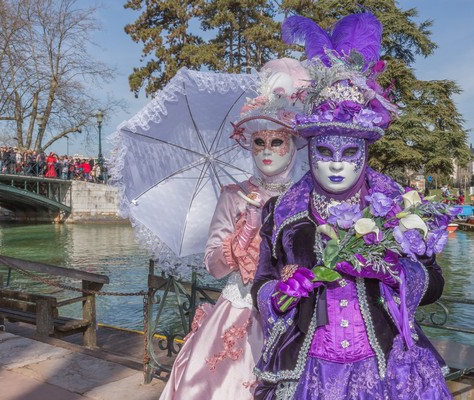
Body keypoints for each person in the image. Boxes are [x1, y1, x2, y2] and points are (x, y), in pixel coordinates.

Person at [251, 13, 453, 399]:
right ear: (310, 153)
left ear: (364, 151)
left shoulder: (397, 208)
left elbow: (433, 285)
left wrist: (393, 271)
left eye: (349, 152)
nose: (338, 164)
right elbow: (262, 280)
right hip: (309, 368)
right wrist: (279, 293)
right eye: (326, 152)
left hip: (386, 368)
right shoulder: (282, 213)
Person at [159, 58, 309, 400]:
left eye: (277, 141)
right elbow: (213, 266)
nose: (268, 150)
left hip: (294, 311)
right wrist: (241, 237)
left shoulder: (306, 197)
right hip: (239, 309)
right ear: (249, 144)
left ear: (293, 145)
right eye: (260, 142)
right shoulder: (234, 196)